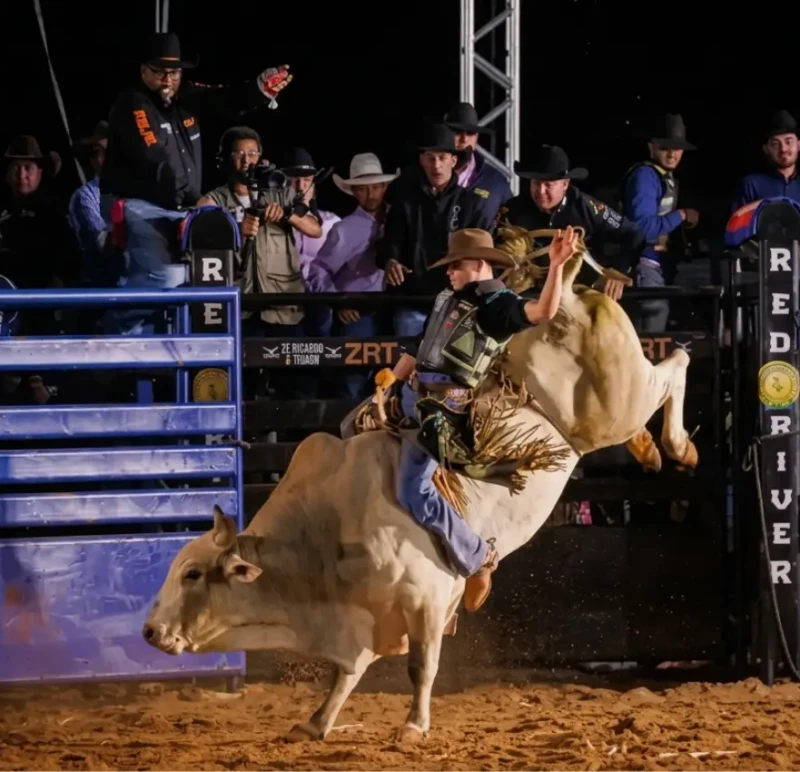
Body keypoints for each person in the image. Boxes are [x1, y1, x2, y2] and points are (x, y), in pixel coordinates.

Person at [378, 225, 579, 612]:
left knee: (412, 489)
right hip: (414, 392)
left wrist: (556, 266)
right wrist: (390, 382)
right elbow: (420, 345)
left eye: (456, 265)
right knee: (353, 428)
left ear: (479, 264)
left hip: (444, 407)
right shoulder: (447, 297)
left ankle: (477, 556)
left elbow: (542, 311)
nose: (449, 272)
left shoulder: (497, 306)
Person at [496, 145, 644, 301]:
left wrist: (619, 270)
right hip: (531, 295)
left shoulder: (586, 207)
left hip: (581, 293)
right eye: (536, 183)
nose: (541, 191)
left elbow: (633, 233)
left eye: (549, 185)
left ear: (565, 184)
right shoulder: (513, 210)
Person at [621, 113, 698, 332]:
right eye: (665, 148)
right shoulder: (645, 176)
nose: (672, 154)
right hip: (643, 264)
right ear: (651, 147)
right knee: (651, 327)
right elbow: (642, 228)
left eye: (677, 148)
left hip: (658, 266)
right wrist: (681, 216)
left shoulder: (662, 176)